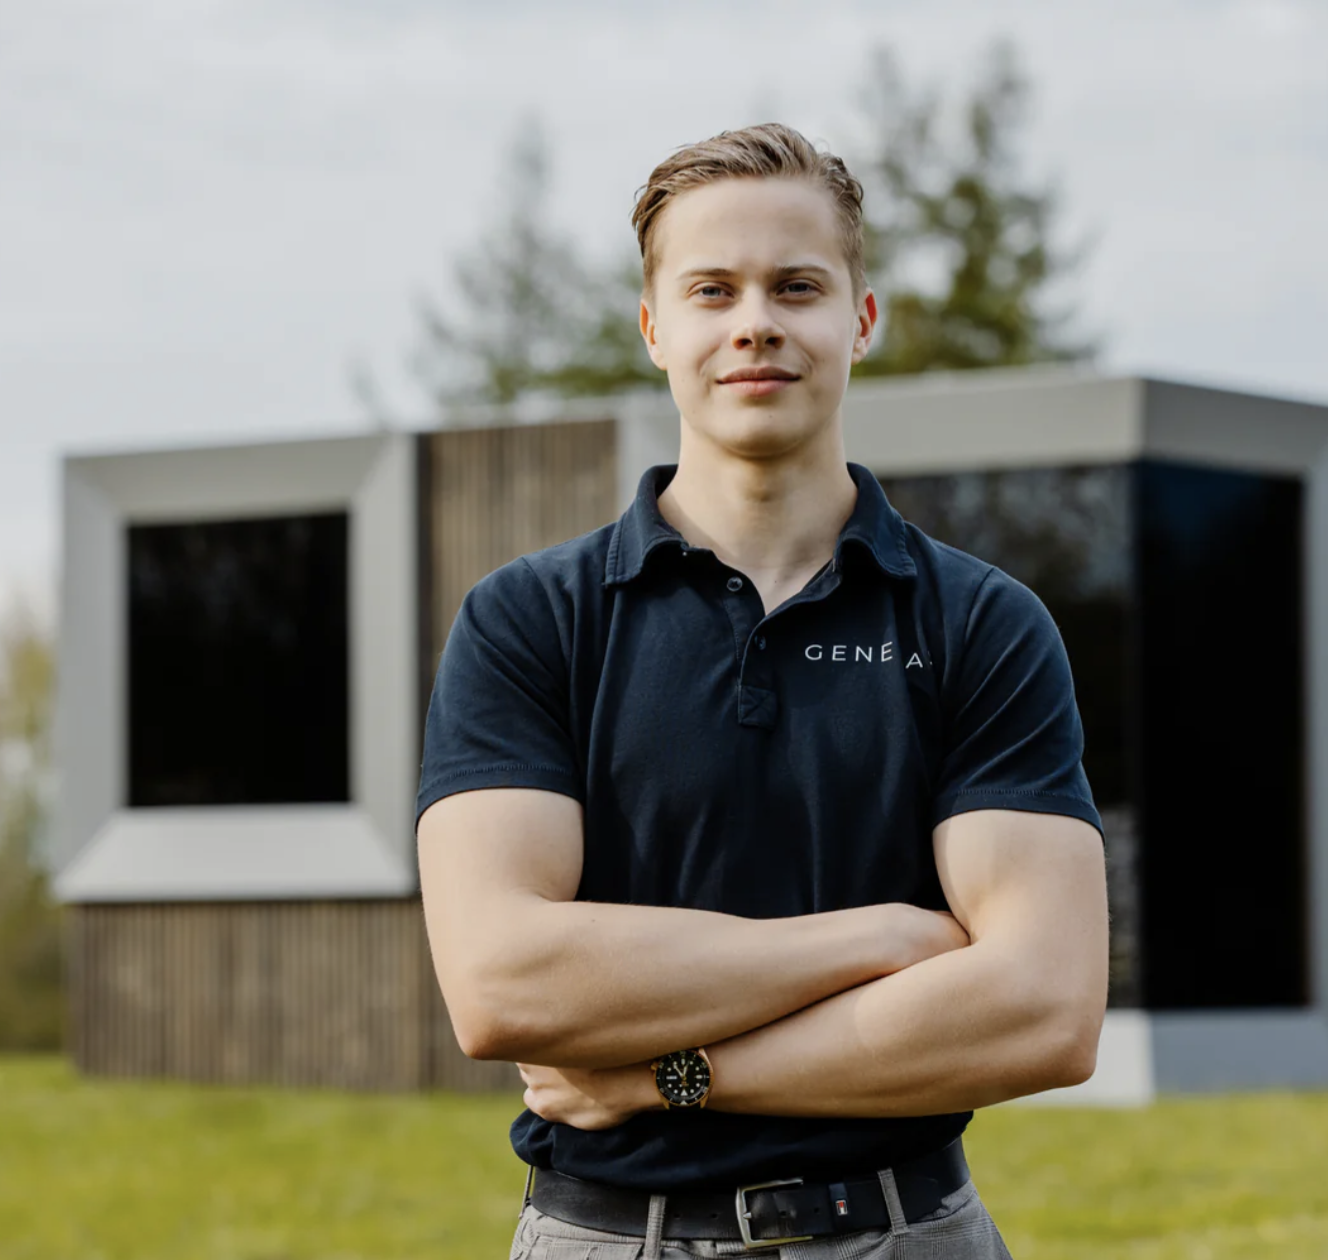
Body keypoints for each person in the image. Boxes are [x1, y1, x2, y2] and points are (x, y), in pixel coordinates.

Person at [415, 123, 1108, 1259]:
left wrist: (667, 1075)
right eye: (711, 290)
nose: (755, 323)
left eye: (797, 286)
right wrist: (879, 938)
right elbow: (503, 986)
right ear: (654, 328)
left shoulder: (980, 623)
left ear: (861, 319)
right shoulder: (531, 620)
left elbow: (1044, 1008)